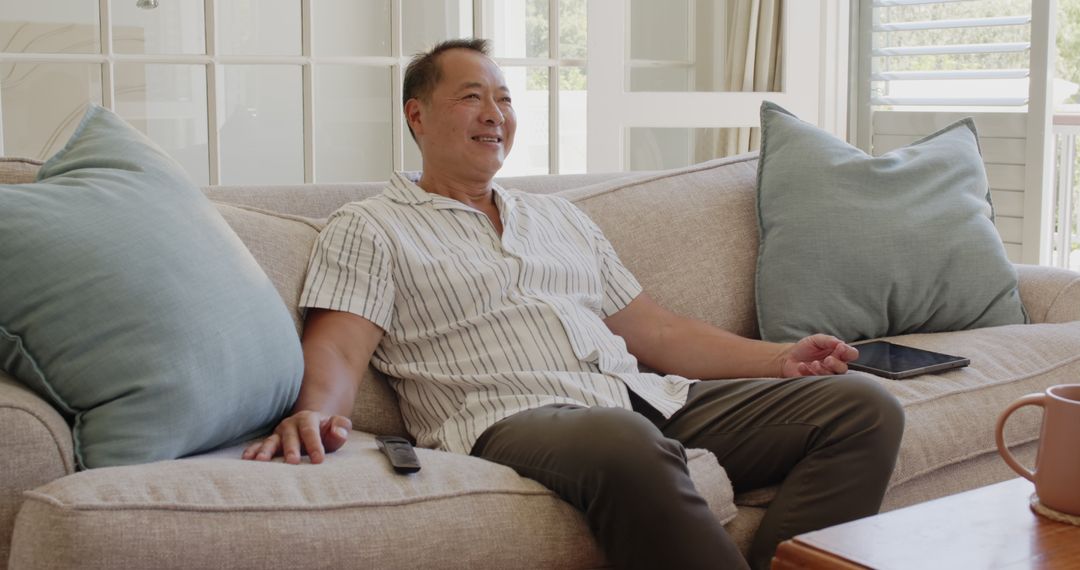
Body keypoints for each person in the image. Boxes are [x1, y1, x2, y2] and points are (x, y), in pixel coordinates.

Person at [242, 38, 904, 570]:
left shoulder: (558, 217)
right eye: (471, 97)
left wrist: (782, 358)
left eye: (503, 98)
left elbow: (658, 330)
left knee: (863, 406)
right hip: (514, 415)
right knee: (622, 438)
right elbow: (340, 343)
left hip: (642, 398)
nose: (494, 114)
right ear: (417, 115)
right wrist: (316, 413)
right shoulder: (372, 225)